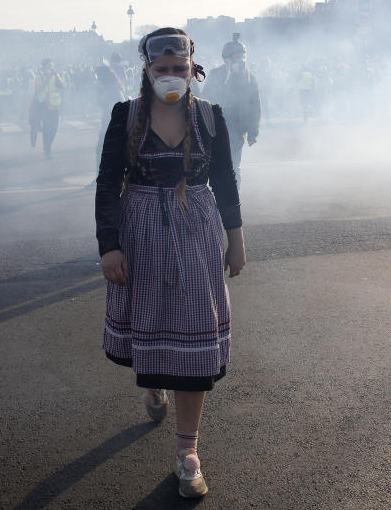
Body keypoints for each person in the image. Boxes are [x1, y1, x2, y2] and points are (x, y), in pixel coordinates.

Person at [95, 28, 246, 499]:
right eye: (161, 70)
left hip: (196, 229)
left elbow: (225, 179)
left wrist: (236, 239)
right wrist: (109, 246)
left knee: (194, 333)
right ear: (147, 69)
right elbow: (106, 183)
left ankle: (187, 454)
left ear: (192, 69)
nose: (171, 77)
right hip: (140, 230)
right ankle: (156, 383)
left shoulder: (209, 117)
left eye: (179, 69)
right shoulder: (127, 115)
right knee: (156, 323)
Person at [202, 34, 261, 188]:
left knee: (234, 166)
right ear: (226, 59)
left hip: (236, 129)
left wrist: (253, 132)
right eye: (236, 58)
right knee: (213, 165)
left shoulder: (250, 78)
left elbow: (255, 106)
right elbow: (205, 100)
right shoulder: (216, 75)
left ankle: (233, 201)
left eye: (242, 57)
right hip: (215, 128)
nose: (240, 61)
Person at [29, 58, 64, 158]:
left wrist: (56, 75)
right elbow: (39, 90)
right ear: (44, 67)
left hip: (55, 105)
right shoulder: (39, 76)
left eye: (52, 66)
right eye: (49, 66)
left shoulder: (55, 75)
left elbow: (61, 86)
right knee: (47, 128)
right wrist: (47, 79)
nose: (51, 68)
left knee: (54, 128)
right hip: (43, 105)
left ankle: (48, 145)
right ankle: (47, 148)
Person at [93, 64, 126, 172]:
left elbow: (118, 106)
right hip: (109, 124)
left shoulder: (113, 89)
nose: (96, 78)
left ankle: (101, 177)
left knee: (101, 152)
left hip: (112, 125)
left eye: (97, 75)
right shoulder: (111, 87)